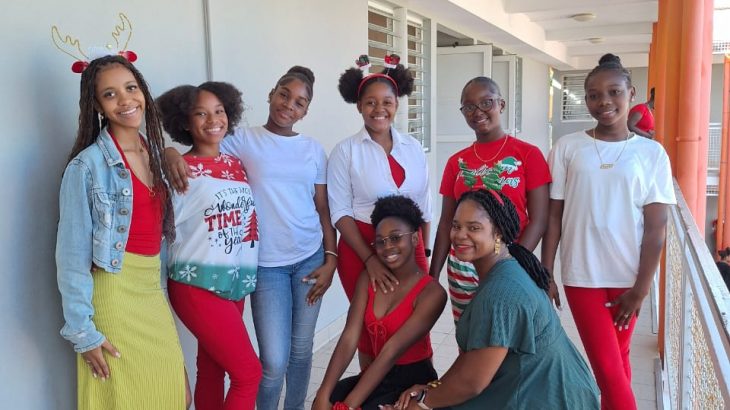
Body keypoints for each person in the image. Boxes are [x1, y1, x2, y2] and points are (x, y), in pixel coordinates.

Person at [165, 66, 337, 410]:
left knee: (297, 350)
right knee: (267, 364)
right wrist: (167, 152)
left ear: (306, 110)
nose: (289, 105)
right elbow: (197, 145)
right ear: (271, 93)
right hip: (261, 267)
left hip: (299, 260)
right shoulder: (240, 141)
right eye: (284, 94)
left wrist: (331, 257)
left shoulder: (309, 150)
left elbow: (322, 208)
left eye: (300, 102)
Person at [541, 53, 676, 410]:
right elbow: (554, 217)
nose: (604, 102)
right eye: (594, 95)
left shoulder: (652, 153)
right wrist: (546, 271)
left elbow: (656, 228)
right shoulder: (568, 147)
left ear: (631, 94)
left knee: (617, 361)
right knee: (608, 369)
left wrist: (641, 289)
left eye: (614, 92)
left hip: (629, 277)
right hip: (581, 274)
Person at [56, 55, 188, 409]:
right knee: (127, 400)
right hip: (113, 293)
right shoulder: (86, 167)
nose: (125, 100)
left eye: (131, 88)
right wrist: (83, 334)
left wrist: (170, 151)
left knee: (174, 395)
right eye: (110, 94)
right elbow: (70, 257)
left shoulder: (152, 151)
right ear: (97, 106)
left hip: (151, 288)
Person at [387, 190, 598, 410]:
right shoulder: (503, 269)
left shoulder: (501, 293)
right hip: (532, 385)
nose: (460, 235)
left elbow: (471, 383)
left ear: (497, 232)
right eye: (456, 226)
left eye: (474, 228)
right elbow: (470, 362)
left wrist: (421, 403)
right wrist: (430, 389)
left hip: (548, 397)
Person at [157, 82, 262, 409]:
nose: (213, 120)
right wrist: (166, 152)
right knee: (249, 374)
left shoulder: (235, 164)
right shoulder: (178, 169)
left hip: (234, 282)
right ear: (185, 122)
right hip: (196, 284)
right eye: (201, 114)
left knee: (212, 369)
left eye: (219, 111)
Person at [328, 55, 432, 368]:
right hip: (362, 247)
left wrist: (422, 254)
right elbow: (340, 212)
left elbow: (425, 206)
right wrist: (370, 260)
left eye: (387, 102)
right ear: (359, 106)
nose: (379, 109)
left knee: (415, 323)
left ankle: (415, 388)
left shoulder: (413, 148)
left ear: (396, 104)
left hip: (410, 247)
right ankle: (373, 390)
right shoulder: (345, 151)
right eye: (370, 102)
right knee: (371, 327)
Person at [429, 76, 551, 323]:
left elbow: (539, 219)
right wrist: (432, 277)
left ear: (501, 105)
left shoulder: (528, 154)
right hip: (464, 264)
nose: (478, 112)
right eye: (469, 107)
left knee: (506, 331)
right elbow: (446, 222)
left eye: (486, 102)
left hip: (511, 259)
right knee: (468, 329)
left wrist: (512, 264)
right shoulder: (456, 162)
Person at [312, 196, 447, 410]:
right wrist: (323, 393)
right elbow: (349, 337)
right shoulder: (368, 279)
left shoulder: (432, 293)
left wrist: (348, 406)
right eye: (381, 241)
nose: (387, 246)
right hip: (377, 376)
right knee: (323, 402)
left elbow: (390, 352)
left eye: (395, 238)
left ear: (414, 238)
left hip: (411, 382)